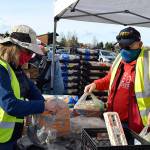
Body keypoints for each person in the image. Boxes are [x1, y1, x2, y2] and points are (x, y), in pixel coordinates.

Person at [0, 25, 59, 149]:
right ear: (16, 48)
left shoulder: (15, 69)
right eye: (29, 52)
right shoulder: (1, 69)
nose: (30, 57)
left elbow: (31, 89)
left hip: (11, 136)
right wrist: (43, 106)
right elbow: (10, 105)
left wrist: (45, 104)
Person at [84, 27, 150, 134]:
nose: (125, 49)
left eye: (129, 45)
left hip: (137, 125)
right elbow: (110, 79)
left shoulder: (148, 60)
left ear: (140, 44)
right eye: (122, 45)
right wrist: (95, 84)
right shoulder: (119, 58)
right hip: (114, 119)